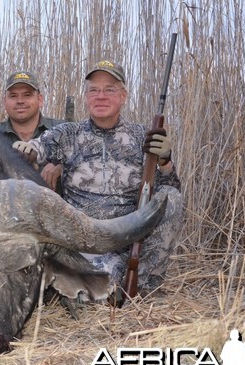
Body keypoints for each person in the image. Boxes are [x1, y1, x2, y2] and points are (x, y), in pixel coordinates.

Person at [12, 60, 184, 294]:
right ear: (86, 96)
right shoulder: (68, 133)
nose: (100, 96)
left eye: (109, 89)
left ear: (123, 96)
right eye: (94, 90)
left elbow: (170, 190)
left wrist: (165, 162)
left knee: (171, 197)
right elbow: (37, 148)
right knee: (98, 289)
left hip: (127, 239)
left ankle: (146, 288)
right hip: (81, 241)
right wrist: (25, 150)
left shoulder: (142, 136)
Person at [0, 71, 64, 191]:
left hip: (55, 208)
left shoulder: (63, 130)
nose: (20, 101)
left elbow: (90, 161)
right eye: (13, 96)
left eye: (27, 95)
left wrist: (61, 166)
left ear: (40, 100)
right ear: (4, 102)